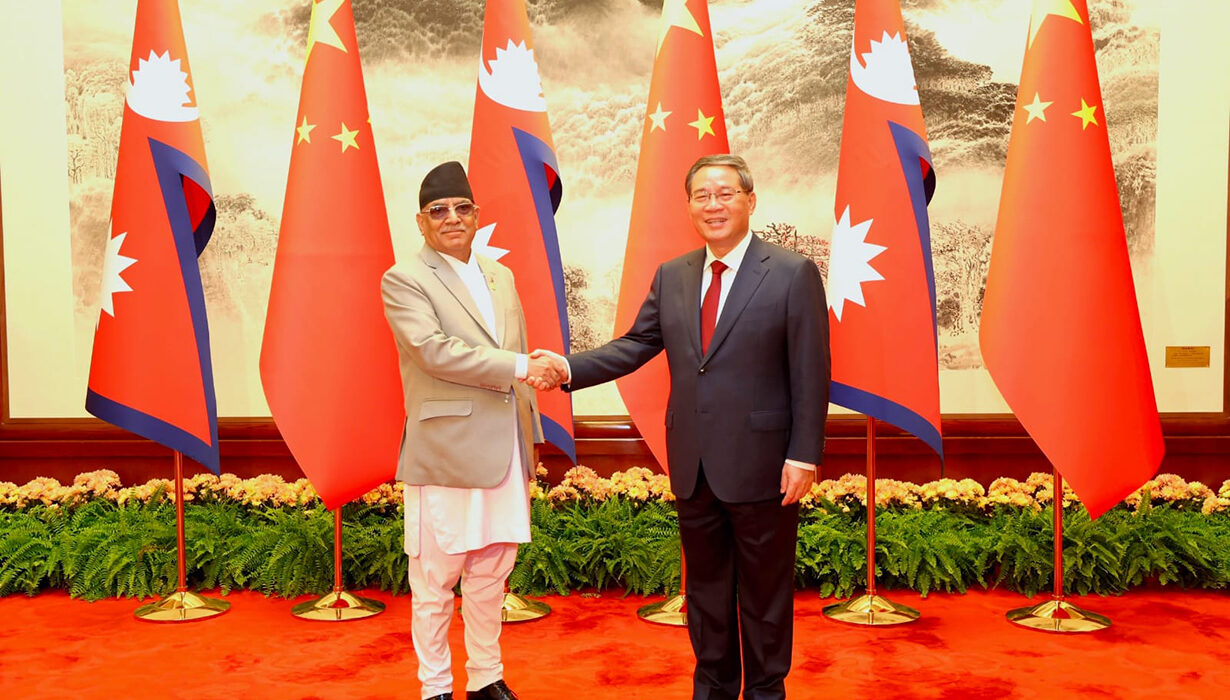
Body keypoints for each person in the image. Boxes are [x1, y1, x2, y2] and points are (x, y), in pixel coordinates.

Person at [533, 154, 830, 699]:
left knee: (765, 597)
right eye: (702, 196)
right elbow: (635, 345)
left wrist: (803, 454)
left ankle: (766, 691)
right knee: (707, 595)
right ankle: (712, 689)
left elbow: (811, 370)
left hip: (766, 467)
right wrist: (568, 367)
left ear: (750, 200)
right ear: (689, 205)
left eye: (725, 193)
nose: (713, 205)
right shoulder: (674, 275)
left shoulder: (792, 273)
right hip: (693, 465)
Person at [381, 161, 562, 700]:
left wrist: (530, 435)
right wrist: (522, 367)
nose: (452, 218)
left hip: (505, 450)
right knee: (435, 579)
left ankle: (485, 677)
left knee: (491, 572)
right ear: (421, 222)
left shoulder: (499, 275)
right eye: (438, 210)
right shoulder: (404, 279)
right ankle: (435, 686)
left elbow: (518, 348)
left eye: (462, 208)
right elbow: (433, 352)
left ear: (477, 215)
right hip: (447, 451)